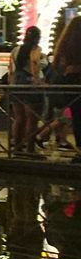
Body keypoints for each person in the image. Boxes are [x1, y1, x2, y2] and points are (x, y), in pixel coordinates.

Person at [9, 26, 43, 154]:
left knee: (18, 118)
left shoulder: (15, 50)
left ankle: (17, 147)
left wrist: (11, 85)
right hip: (29, 85)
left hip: (17, 85)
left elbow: (11, 70)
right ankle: (30, 149)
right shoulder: (36, 49)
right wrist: (36, 80)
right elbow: (34, 63)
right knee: (31, 118)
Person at [56, 16, 81, 162]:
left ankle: (79, 150)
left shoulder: (65, 45)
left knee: (77, 117)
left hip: (70, 85)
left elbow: (58, 65)